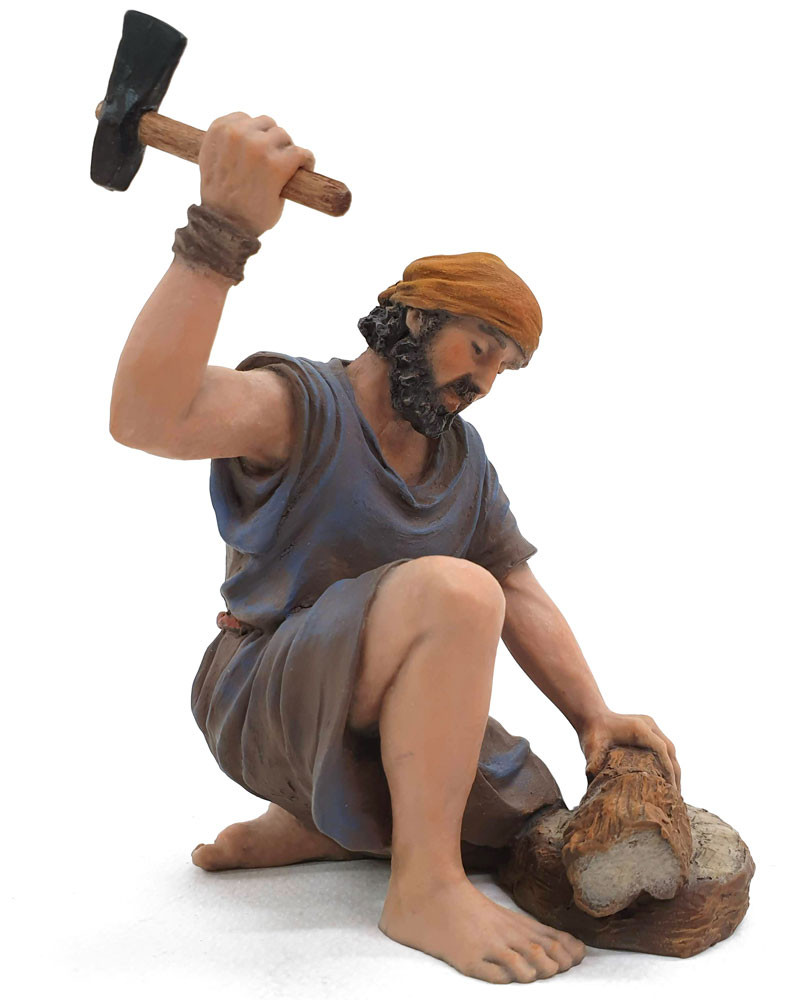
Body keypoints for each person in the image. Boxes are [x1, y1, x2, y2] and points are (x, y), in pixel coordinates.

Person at [109, 113, 681, 985]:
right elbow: (148, 416)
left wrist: (592, 716)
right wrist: (220, 232)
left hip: (360, 714)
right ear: (413, 316)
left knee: (522, 812)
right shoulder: (300, 405)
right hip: (263, 694)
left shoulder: (461, 458)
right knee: (456, 591)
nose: (482, 381)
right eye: (478, 348)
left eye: (502, 369)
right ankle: (424, 885)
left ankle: (321, 823)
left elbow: (518, 586)